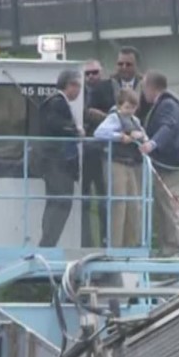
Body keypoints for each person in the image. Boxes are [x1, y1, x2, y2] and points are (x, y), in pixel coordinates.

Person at [139, 71, 179, 256]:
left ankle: (175, 248)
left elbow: (168, 127)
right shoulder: (161, 105)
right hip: (164, 165)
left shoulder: (168, 104)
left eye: (144, 87)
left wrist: (153, 143)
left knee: (169, 205)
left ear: (152, 87)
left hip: (171, 165)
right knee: (163, 206)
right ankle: (167, 246)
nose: (143, 92)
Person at [94, 88, 147, 248]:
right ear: (119, 106)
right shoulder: (114, 117)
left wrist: (142, 137)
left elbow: (145, 137)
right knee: (119, 204)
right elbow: (99, 133)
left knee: (134, 205)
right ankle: (115, 245)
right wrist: (120, 137)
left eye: (133, 108)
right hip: (116, 163)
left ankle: (132, 244)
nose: (130, 111)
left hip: (132, 164)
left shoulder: (136, 121)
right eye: (127, 107)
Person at [37, 69, 82, 248]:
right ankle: (47, 244)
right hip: (58, 163)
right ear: (69, 85)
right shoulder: (58, 102)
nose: (78, 91)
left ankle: (48, 242)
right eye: (77, 85)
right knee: (61, 203)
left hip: (54, 163)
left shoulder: (54, 101)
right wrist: (75, 130)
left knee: (55, 203)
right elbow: (54, 125)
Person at [81, 59, 111, 247]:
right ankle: (85, 241)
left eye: (95, 73)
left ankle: (105, 239)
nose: (91, 76)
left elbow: (116, 115)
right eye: (88, 73)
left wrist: (100, 116)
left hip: (102, 152)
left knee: (104, 200)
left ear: (101, 73)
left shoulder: (108, 90)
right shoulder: (79, 92)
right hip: (83, 154)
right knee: (82, 201)